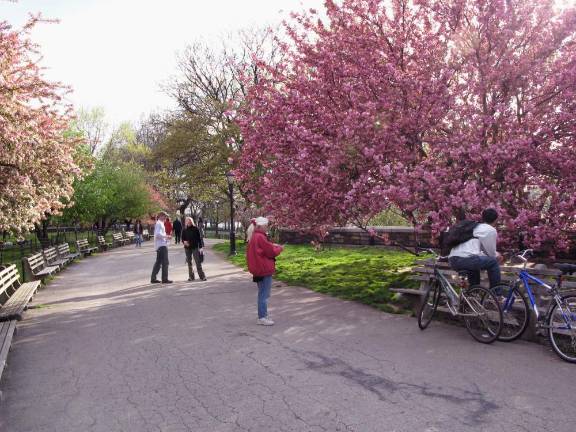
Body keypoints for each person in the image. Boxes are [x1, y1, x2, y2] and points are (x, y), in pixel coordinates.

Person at [448, 208, 503, 289]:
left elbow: (475, 251)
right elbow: (491, 254)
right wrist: (498, 255)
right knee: (493, 262)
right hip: (466, 260)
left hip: (453, 260)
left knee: (474, 266)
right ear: (496, 220)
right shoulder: (490, 230)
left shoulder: (474, 227)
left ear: (483, 218)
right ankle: (497, 294)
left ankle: (473, 294)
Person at [246, 217, 284, 326]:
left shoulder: (255, 236)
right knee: (264, 294)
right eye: (266, 225)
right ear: (260, 226)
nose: (267, 227)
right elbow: (271, 252)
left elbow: (265, 249)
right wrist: (280, 248)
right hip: (264, 269)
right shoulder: (260, 237)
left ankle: (263, 315)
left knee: (262, 293)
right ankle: (262, 317)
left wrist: (273, 246)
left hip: (258, 269)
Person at [181, 217, 206, 281]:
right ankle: (191, 277)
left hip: (195, 247)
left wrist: (200, 247)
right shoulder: (184, 229)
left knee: (198, 262)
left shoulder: (195, 228)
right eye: (187, 221)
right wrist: (184, 242)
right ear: (185, 222)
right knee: (189, 262)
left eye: (189, 221)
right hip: (187, 248)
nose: (188, 222)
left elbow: (199, 239)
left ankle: (202, 276)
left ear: (192, 222)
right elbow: (182, 238)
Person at [151, 211, 172, 284]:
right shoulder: (159, 223)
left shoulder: (160, 223)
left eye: (166, 216)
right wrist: (166, 236)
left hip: (160, 245)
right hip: (162, 246)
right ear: (161, 216)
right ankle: (164, 279)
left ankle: (153, 278)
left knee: (158, 262)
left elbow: (159, 234)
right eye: (165, 216)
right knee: (165, 262)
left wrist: (166, 237)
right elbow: (158, 234)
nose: (166, 218)